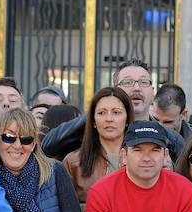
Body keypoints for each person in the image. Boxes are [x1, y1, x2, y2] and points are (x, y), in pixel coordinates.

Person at [41, 59, 183, 160]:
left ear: (152, 91)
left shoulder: (171, 139)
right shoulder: (93, 128)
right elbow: (47, 146)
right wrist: (93, 115)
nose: (136, 88)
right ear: (115, 90)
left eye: (143, 82)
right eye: (127, 82)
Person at [62, 86, 132, 207]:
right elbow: (66, 211)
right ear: (93, 121)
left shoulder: (142, 159)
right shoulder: (73, 162)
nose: (109, 119)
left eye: (116, 112)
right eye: (101, 113)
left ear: (127, 119)